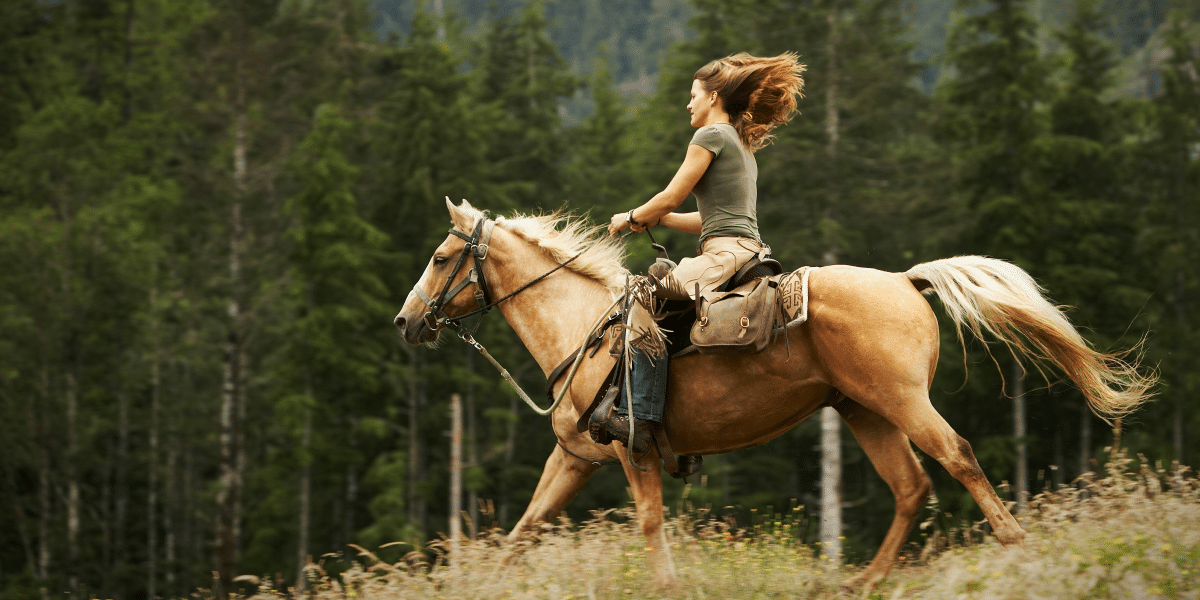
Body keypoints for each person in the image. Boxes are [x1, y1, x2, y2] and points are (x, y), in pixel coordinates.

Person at [595, 52, 806, 456]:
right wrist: (662, 220)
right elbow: (712, 218)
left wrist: (631, 216)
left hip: (724, 255)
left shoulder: (709, 136)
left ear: (713, 98)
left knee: (639, 296)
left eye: (693, 95)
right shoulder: (741, 144)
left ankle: (641, 417)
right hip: (745, 249)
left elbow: (671, 194)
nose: (688, 104)